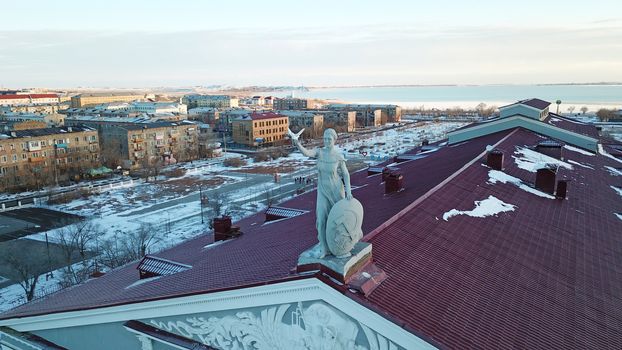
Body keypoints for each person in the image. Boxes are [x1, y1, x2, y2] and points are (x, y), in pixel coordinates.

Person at [289, 128, 352, 258]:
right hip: (323, 190)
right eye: (325, 138)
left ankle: (339, 245)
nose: (326, 141)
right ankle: (324, 247)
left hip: (336, 190)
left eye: (329, 139)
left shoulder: (338, 156)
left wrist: (349, 192)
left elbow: (345, 174)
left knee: (337, 220)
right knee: (321, 219)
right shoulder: (319, 152)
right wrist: (297, 142)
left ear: (334, 140)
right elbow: (306, 153)